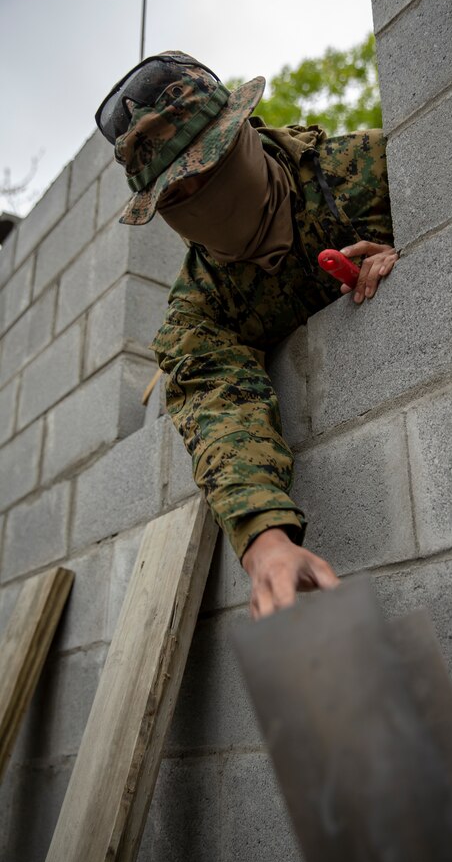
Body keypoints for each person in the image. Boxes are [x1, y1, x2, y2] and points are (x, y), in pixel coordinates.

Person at [95, 51, 397, 618]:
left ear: (244, 134)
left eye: (206, 173)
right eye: (176, 198)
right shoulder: (198, 310)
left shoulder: (370, 171)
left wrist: (413, 259)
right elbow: (220, 408)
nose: (200, 202)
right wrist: (267, 541)